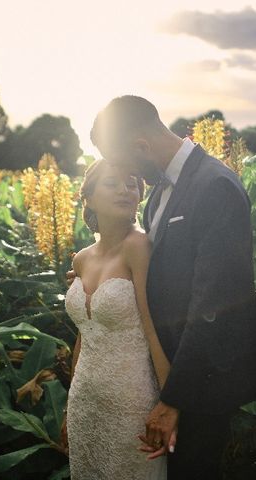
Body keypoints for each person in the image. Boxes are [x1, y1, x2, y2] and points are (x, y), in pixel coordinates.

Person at [68, 95, 256, 479]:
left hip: (200, 381)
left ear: (141, 146)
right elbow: (157, 272)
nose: (132, 181)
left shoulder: (215, 186)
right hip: (164, 377)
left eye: (129, 167)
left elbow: (215, 306)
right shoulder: (160, 196)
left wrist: (174, 399)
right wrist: (102, 275)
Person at [64, 159, 169, 479]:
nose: (126, 189)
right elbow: (84, 335)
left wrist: (168, 405)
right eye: (113, 183)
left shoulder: (139, 247)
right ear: (90, 198)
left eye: (133, 182)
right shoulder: (80, 259)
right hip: (85, 400)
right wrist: (69, 406)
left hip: (131, 403)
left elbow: (154, 332)